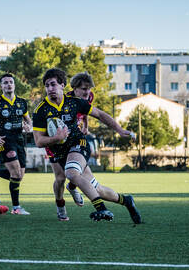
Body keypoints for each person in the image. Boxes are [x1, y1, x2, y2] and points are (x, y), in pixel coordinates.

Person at [33, 68, 141, 223]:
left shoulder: (76, 102)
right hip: (60, 152)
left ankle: (101, 208)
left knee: (70, 173)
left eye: (53, 84)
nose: (50, 89)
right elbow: (38, 141)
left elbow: (101, 114)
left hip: (79, 144)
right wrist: (57, 138)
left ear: (62, 85)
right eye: (47, 86)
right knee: (96, 188)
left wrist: (119, 129)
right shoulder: (40, 111)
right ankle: (126, 200)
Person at [0, 73, 32, 215]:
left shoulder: (22, 102)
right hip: (5, 140)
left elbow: (28, 120)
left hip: (20, 140)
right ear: (1, 86)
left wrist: (29, 126)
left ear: (14, 85)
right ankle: (16, 208)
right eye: (5, 82)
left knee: (19, 176)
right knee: (15, 173)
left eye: (11, 82)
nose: (8, 84)